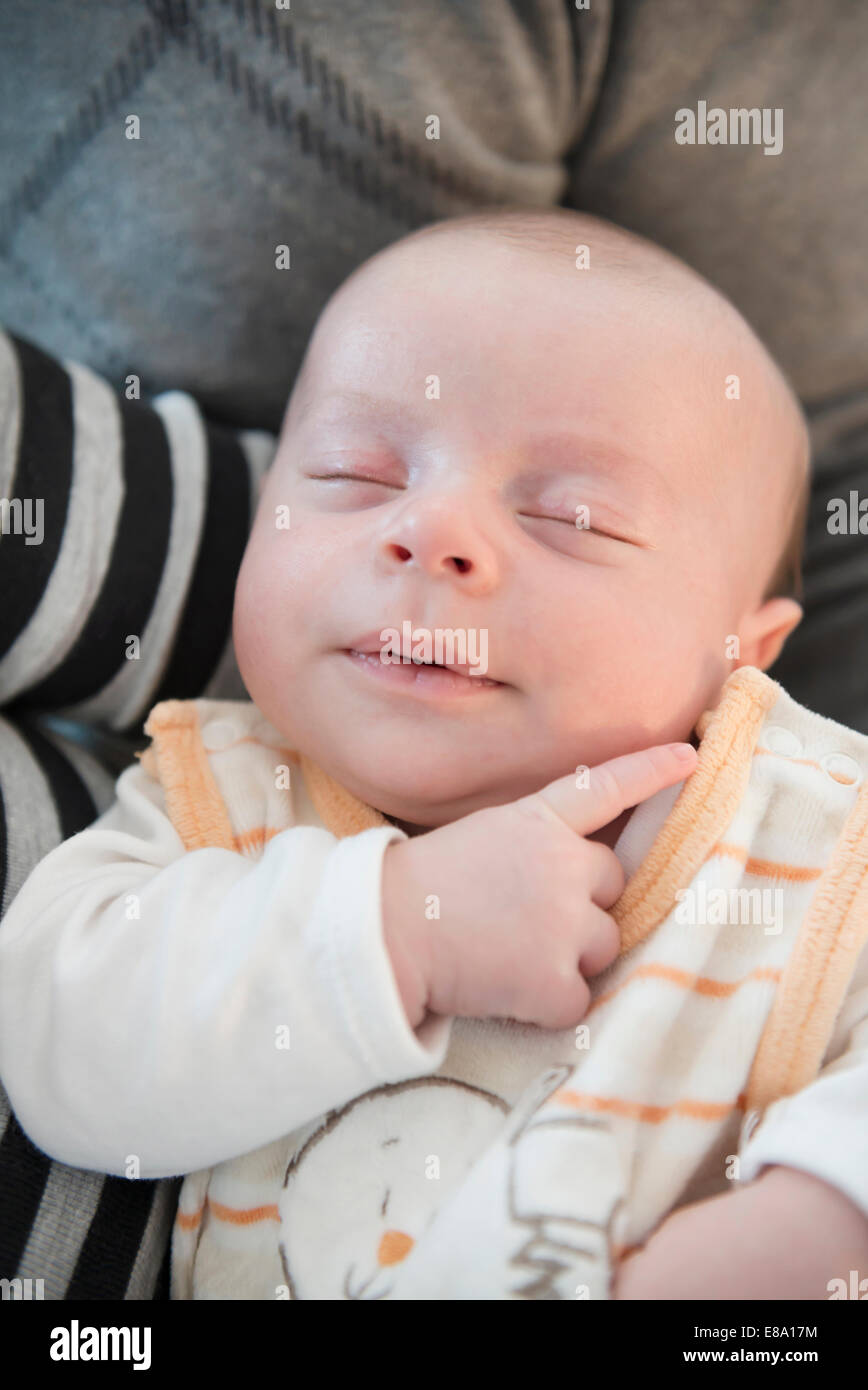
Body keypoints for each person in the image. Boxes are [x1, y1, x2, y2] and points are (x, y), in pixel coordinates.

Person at [1, 209, 865, 1299]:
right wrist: (395, 928)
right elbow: (63, 1059)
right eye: (356, 473)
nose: (430, 530)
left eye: (575, 517)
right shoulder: (213, 805)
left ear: (744, 651)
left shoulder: (809, 829)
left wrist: (819, 1216)